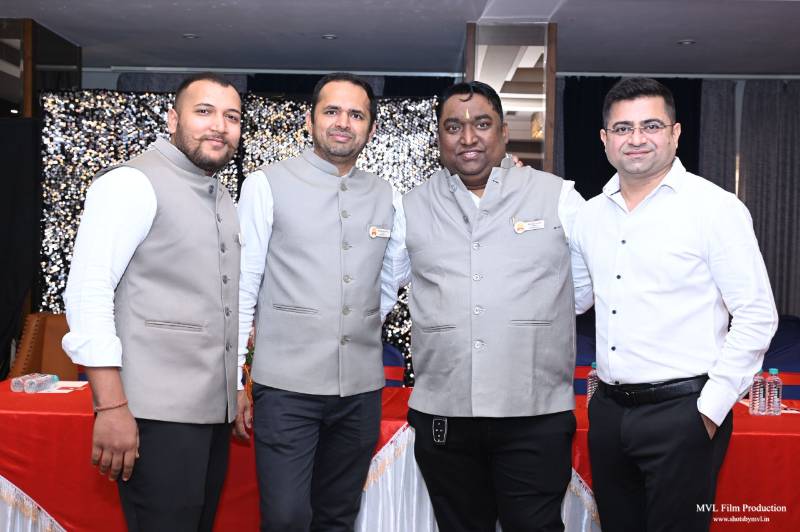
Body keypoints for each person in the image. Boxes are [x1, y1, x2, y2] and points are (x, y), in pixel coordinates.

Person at [570, 77, 778, 532]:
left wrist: (709, 410)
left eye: (651, 125)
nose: (636, 138)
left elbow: (757, 315)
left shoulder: (715, 209)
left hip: (684, 412)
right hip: (608, 412)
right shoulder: (589, 215)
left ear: (675, 133)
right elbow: (577, 297)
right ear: (604, 139)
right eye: (622, 128)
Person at [384, 80, 585, 532]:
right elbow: (380, 290)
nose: (468, 137)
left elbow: (587, 287)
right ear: (439, 137)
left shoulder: (558, 196)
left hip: (535, 413)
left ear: (504, 132)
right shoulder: (410, 207)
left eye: (481, 124)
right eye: (453, 126)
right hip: (444, 416)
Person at [61, 72, 242, 532]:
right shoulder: (132, 182)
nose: (219, 126)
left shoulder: (219, 194)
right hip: (153, 415)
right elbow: (88, 291)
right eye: (204, 112)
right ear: (172, 120)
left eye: (231, 117)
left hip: (209, 412)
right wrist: (111, 406)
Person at [235, 72, 406, 532]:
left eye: (356, 114)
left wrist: (356, 324)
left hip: (360, 390)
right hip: (286, 389)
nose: (343, 123)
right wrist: (233, 378)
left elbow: (388, 279)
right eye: (332, 111)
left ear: (370, 127)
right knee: (286, 516)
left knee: (338, 515)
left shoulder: (388, 195)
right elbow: (243, 285)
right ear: (310, 120)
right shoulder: (266, 184)